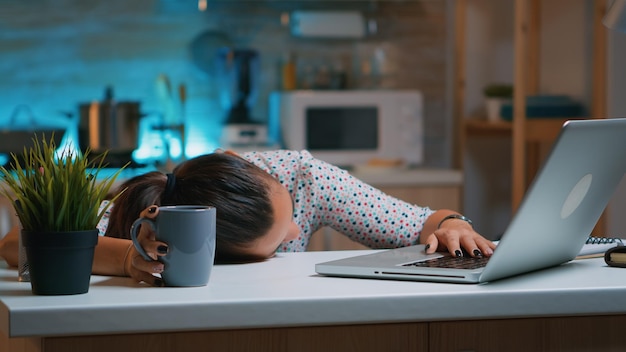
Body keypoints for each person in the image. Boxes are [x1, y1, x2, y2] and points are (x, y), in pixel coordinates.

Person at [0, 149, 496, 286]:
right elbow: (14, 245)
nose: (299, 232)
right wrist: (129, 255)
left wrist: (455, 224)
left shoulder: (303, 176)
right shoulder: (161, 210)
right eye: (284, 240)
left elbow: (424, 221)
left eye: (289, 214)